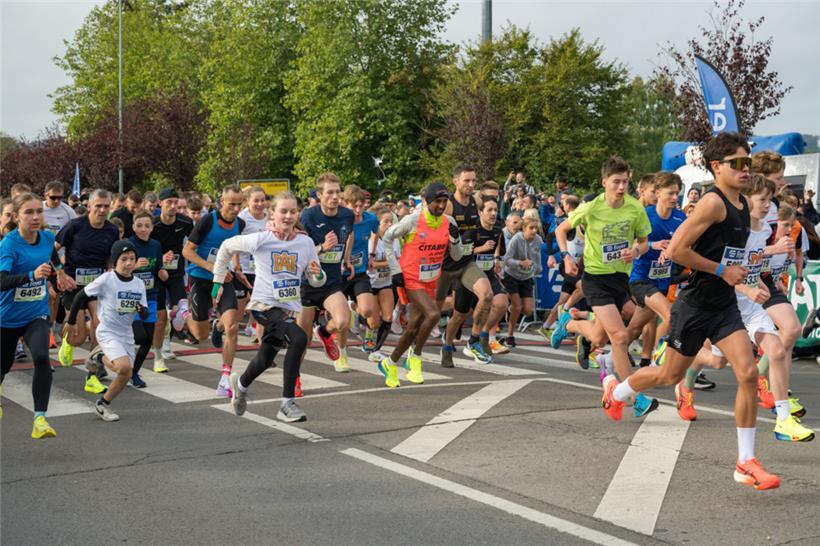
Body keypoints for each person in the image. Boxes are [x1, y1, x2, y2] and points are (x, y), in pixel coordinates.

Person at [600, 132, 781, 490]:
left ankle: (745, 462)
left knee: (747, 372)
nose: (745, 168)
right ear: (716, 167)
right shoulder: (712, 203)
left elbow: (732, 256)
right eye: (737, 163)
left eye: (748, 161)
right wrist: (721, 271)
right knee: (668, 376)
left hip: (724, 305)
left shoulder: (742, 205)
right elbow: (677, 251)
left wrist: (747, 280)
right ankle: (617, 392)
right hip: (695, 305)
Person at [551, 156, 656, 417]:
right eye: (616, 182)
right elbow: (561, 230)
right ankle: (635, 397)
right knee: (619, 337)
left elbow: (644, 242)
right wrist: (566, 257)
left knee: (599, 338)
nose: (621, 187)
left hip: (620, 280)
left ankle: (569, 323)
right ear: (604, 182)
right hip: (595, 278)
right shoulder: (591, 208)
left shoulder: (635, 208)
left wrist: (635, 251)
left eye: (625, 182)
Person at [213, 192, 325, 422]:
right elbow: (226, 247)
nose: (288, 216)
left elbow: (315, 279)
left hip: (287, 308)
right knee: (299, 338)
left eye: (293, 211)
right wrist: (218, 280)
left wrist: (318, 275)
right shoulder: (261, 239)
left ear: (298, 214)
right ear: (272, 214)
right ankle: (286, 404)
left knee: (265, 359)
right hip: (263, 306)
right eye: (283, 211)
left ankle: (240, 385)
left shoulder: (305, 243)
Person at [380, 183, 462, 387]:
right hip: (410, 277)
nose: (441, 206)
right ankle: (415, 358)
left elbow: (457, 256)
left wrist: (455, 239)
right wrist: (395, 270)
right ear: (426, 201)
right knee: (433, 315)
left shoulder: (449, 222)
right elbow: (387, 238)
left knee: (413, 328)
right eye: (437, 201)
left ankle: (389, 363)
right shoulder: (413, 220)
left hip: (431, 279)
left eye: (444, 201)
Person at [67, 240, 148, 421]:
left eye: (132, 259)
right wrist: (71, 322)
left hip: (126, 332)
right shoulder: (107, 279)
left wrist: (142, 310)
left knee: (125, 373)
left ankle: (103, 404)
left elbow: (144, 313)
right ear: (115, 261)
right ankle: (99, 356)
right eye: (124, 259)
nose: (128, 263)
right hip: (108, 331)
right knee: (123, 366)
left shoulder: (139, 284)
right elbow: (81, 295)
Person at [178, 185, 246, 396]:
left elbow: (233, 247)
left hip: (224, 279)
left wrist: (236, 267)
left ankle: (225, 378)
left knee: (232, 327)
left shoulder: (240, 224)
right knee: (200, 334)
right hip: (200, 277)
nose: (236, 209)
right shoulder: (208, 221)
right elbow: (187, 251)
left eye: (239, 204)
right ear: (222, 202)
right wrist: (212, 267)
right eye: (231, 204)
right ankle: (184, 313)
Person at [0, 193, 58, 438]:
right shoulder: (9, 244)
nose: (36, 217)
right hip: (7, 318)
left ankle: (39, 419)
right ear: (16, 216)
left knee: (42, 357)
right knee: (3, 366)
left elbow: (52, 257)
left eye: (39, 211)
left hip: (36, 313)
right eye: (29, 212)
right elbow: (1, 281)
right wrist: (31, 276)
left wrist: (61, 273)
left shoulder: (47, 237)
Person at [54, 189, 120, 395]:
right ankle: (68, 341)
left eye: (106, 206)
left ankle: (92, 374)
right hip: (73, 284)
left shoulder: (111, 230)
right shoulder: (75, 226)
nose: (102, 210)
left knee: (101, 326)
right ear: (89, 206)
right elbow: (52, 248)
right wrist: (60, 273)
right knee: (79, 337)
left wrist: (110, 267)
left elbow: (111, 255)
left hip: (97, 284)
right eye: (98, 206)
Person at [438, 164, 494, 367]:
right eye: (466, 181)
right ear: (455, 181)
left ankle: (474, 340)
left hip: (467, 262)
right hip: (447, 265)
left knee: (487, 295)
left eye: (473, 180)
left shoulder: (476, 200)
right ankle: (446, 345)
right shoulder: (449, 205)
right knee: (458, 314)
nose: (471, 185)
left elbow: (488, 210)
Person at [297, 173, 354, 372]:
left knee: (343, 321)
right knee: (302, 341)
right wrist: (322, 248)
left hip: (332, 282)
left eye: (338, 192)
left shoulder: (347, 215)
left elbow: (349, 235)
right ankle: (294, 379)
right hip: (307, 283)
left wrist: (347, 258)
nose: (335, 196)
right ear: (319, 195)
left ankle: (324, 332)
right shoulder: (308, 216)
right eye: (330, 192)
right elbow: (299, 250)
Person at [153, 188, 193, 369]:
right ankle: (160, 352)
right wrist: (160, 259)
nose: (173, 206)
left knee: (182, 308)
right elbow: (145, 248)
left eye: (176, 202)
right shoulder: (153, 224)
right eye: (169, 202)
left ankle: (171, 327)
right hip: (157, 275)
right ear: (160, 203)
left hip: (176, 273)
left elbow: (194, 243)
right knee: (161, 317)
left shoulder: (185, 222)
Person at [128, 210, 167, 387]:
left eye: (147, 226)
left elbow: (158, 268)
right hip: (131, 298)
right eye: (139, 226)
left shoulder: (156, 245)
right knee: (139, 336)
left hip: (150, 296)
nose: (143, 229)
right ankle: (117, 358)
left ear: (152, 228)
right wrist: (134, 266)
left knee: (148, 340)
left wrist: (162, 272)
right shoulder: (128, 244)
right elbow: (118, 271)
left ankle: (134, 373)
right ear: (133, 227)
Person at [341, 185, 381, 354]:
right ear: (345, 204)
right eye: (354, 206)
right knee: (340, 319)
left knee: (367, 310)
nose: (358, 211)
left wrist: (372, 254)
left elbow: (376, 233)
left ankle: (368, 336)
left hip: (359, 271)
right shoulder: (339, 220)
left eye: (361, 206)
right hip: (340, 274)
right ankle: (341, 351)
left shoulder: (370, 219)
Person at [503, 216, 542, 348]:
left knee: (527, 310)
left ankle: (510, 309)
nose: (534, 231)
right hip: (512, 275)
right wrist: (520, 263)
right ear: (524, 228)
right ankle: (510, 336)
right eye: (531, 228)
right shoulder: (516, 239)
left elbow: (537, 257)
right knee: (518, 306)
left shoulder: (538, 240)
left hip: (526, 277)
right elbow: (506, 260)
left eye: (536, 228)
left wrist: (538, 269)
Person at [366, 206, 399, 361]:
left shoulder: (394, 240)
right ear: (377, 224)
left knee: (388, 316)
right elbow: (370, 265)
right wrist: (389, 262)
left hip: (386, 282)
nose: (389, 225)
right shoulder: (370, 240)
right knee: (374, 321)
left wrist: (383, 263)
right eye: (385, 222)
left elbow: (398, 260)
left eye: (391, 221)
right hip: (370, 282)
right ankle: (356, 310)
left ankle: (375, 350)